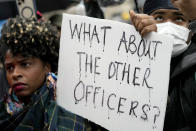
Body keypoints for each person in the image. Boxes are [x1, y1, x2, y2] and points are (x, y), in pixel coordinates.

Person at [0, 17, 86, 131]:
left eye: (25, 64)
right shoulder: (4, 111)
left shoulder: (67, 109)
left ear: (47, 66)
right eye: (9, 68)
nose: (15, 74)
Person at [130, 0, 196, 131]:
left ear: (190, 27)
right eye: (159, 17)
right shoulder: (131, 68)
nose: (169, 26)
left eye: (179, 18)